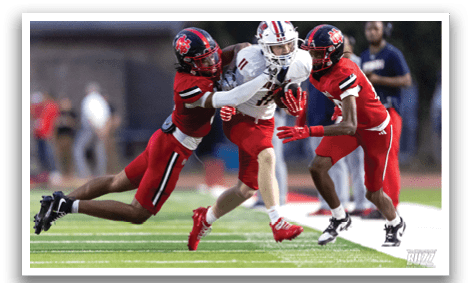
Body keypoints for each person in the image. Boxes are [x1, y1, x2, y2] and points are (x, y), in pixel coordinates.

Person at [33, 27, 273, 235]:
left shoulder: (209, 59)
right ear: (189, 62)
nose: (213, 63)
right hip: (174, 148)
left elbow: (243, 46)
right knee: (138, 213)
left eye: (213, 56)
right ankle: (66, 206)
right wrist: (268, 76)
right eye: (205, 60)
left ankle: (61, 202)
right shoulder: (188, 84)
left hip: (164, 138)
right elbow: (231, 97)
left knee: (116, 182)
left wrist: (261, 54)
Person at [276, 24, 406, 247]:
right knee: (317, 167)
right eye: (310, 51)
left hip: (375, 129)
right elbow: (284, 79)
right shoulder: (314, 68)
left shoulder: (345, 72)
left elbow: (349, 126)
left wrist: (307, 130)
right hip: (352, 122)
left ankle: (395, 223)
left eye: (317, 53)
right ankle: (339, 217)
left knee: (373, 194)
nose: (311, 57)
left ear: (332, 53)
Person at [188, 21, 311, 250]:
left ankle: (204, 219)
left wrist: (287, 102)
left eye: (288, 45)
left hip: (265, 120)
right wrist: (259, 81)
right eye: (278, 47)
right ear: (264, 47)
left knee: (245, 190)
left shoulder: (302, 61)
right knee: (268, 155)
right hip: (239, 118)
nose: (285, 51)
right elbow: (232, 94)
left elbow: (277, 95)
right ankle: (277, 221)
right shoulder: (250, 61)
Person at [360, 21, 412, 217]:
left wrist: (379, 80)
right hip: (371, 114)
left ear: (384, 31)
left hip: (389, 110)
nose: (372, 32)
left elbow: (407, 80)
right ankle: (379, 204)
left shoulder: (392, 53)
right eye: (369, 28)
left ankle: (392, 205)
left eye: (376, 28)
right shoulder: (364, 56)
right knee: (374, 159)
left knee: (389, 156)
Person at [73, 82, 111, 179]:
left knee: (78, 149)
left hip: (90, 128)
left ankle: (84, 174)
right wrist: (104, 131)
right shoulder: (101, 100)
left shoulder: (88, 99)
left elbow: (89, 117)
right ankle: (101, 174)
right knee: (99, 150)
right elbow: (107, 117)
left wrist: (97, 130)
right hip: (101, 128)